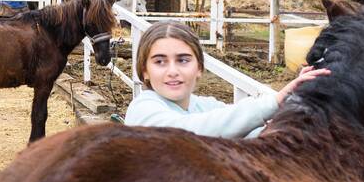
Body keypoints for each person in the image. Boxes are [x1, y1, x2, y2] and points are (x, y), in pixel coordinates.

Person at [123, 20, 330, 137]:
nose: (172, 71)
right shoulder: (143, 109)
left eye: (183, 60)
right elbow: (185, 133)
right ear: (144, 71)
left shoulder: (206, 106)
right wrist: (275, 101)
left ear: (199, 68)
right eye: (160, 62)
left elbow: (250, 132)